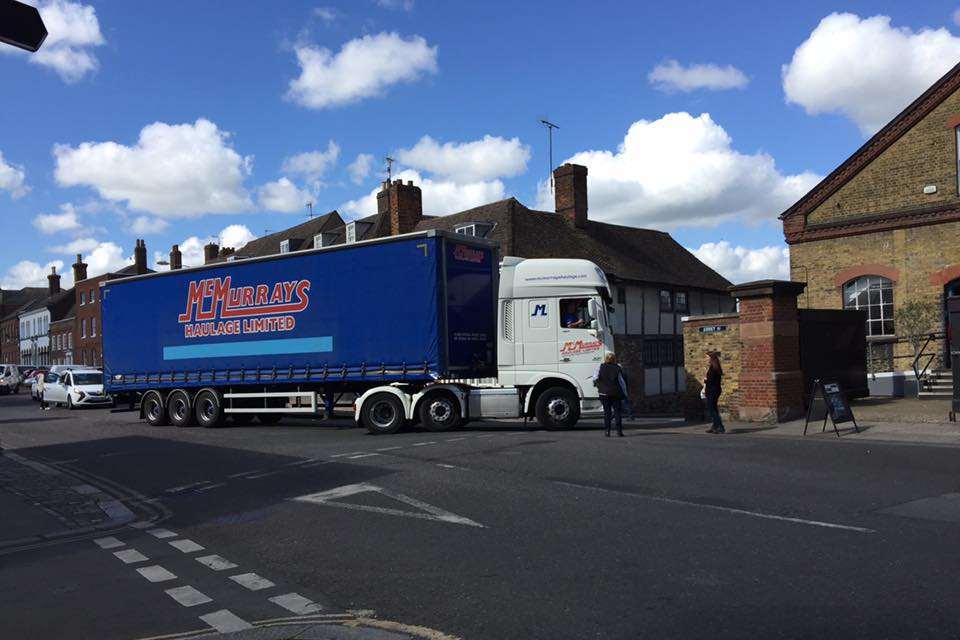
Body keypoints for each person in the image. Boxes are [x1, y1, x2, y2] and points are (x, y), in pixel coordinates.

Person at [593, 352, 627, 437]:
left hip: (604, 393)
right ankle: (619, 431)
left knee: (607, 413)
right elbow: (621, 382)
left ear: (606, 359)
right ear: (614, 359)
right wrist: (625, 393)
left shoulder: (601, 366)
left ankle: (607, 431)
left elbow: (595, 377)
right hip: (615, 393)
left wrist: (598, 385)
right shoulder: (617, 368)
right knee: (617, 412)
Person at [703, 351, 724, 434]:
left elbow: (712, 381)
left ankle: (720, 426)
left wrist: (705, 380)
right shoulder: (715, 367)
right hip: (715, 390)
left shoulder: (713, 369)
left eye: (707, 357)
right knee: (714, 409)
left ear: (711, 358)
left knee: (712, 409)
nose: (706, 359)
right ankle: (715, 426)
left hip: (712, 391)